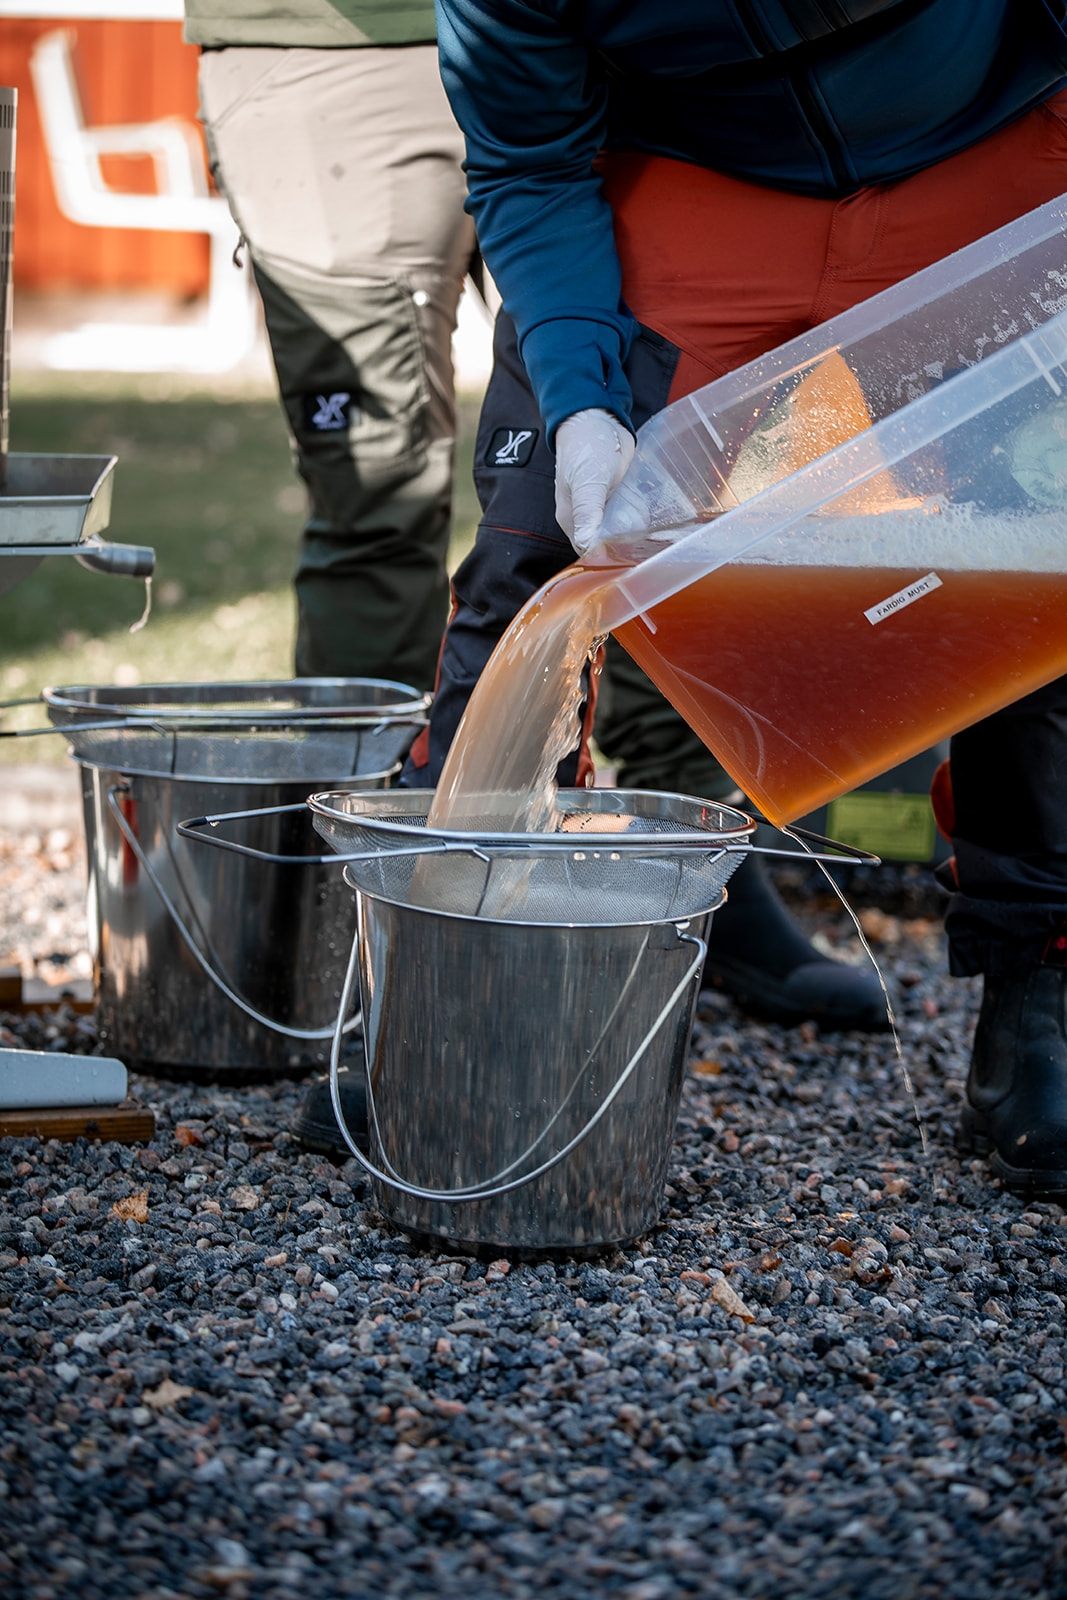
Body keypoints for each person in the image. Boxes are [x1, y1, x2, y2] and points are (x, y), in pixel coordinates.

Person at [405, 0, 1067, 1195]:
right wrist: (582, 398)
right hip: (692, 170)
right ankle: (452, 981)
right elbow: (529, 157)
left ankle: (1041, 990)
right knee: (534, 551)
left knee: (1044, 534)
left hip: (985, 145)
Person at [183, 0, 476, 1152]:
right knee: (378, 499)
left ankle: (688, 872)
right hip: (343, 45)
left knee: (648, 467)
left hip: (615, 39)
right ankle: (361, 955)